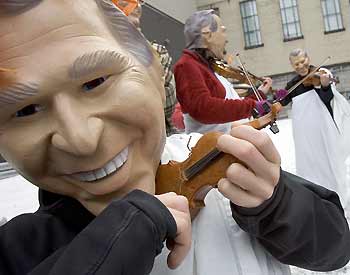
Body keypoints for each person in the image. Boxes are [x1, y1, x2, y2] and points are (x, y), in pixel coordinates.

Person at [0, 1, 349, 275]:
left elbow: (336, 245)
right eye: (26, 110)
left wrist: (277, 206)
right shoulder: (23, 249)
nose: (81, 140)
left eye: (94, 83)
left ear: (153, 71)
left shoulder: (213, 164)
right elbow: (202, 105)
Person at [174, 10, 272, 134]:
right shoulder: (187, 66)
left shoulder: (205, 66)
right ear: (207, 34)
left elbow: (227, 105)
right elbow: (204, 108)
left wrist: (258, 97)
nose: (226, 39)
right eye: (223, 30)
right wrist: (252, 106)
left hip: (221, 136)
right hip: (209, 141)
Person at [279, 48, 350, 207]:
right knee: (310, 164)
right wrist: (272, 98)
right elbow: (281, 99)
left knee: (329, 162)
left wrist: (325, 86)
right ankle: (317, 198)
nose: (301, 66)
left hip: (323, 131)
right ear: (292, 66)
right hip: (305, 136)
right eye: (296, 64)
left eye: (303, 61)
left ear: (308, 58)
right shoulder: (292, 84)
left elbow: (328, 99)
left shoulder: (321, 74)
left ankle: (336, 197)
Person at [114, 0, 178, 136]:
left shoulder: (158, 52)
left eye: (139, 2)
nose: (137, 5)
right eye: (127, 1)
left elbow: (166, 105)